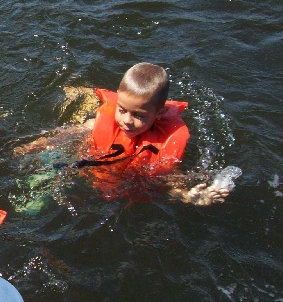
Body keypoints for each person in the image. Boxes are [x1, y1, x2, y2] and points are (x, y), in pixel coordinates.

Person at [14, 63, 230, 205]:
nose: (127, 120)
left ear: (160, 113)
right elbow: (68, 133)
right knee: (33, 196)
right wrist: (34, 145)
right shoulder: (103, 121)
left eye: (139, 115)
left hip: (119, 195)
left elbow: (169, 184)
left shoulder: (167, 144)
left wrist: (190, 197)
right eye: (122, 110)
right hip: (86, 171)